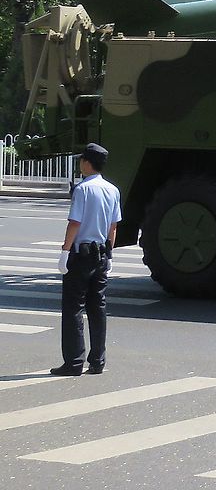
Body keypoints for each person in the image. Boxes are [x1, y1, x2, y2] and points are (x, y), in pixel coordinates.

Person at [52, 143, 121, 376]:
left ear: (87, 163)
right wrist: (109, 253)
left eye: (82, 159)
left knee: (73, 308)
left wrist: (64, 251)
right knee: (97, 308)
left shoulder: (83, 189)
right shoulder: (113, 190)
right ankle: (98, 361)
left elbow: (75, 223)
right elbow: (113, 227)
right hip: (101, 255)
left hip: (81, 255)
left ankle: (73, 362)